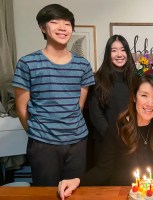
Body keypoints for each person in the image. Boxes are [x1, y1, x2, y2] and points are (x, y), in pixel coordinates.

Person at [12, 4, 95, 186]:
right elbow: (21, 108)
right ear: (43, 27)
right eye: (54, 22)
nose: (62, 28)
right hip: (43, 143)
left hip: (78, 141)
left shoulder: (83, 65)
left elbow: (79, 106)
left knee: (75, 190)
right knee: (46, 192)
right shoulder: (27, 63)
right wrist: (39, 132)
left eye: (67, 23)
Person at [58, 74, 153, 199]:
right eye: (144, 95)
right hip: (122, 195)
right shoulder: (118, 128)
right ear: (134, 97)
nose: (150, 103)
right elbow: (103, 169)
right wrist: (78, 181)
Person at [86, 35, 136, 164]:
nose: (119, 54)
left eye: (123, 50)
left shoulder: (136, 79)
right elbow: (96, 114)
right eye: (114, 50)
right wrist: (112, 138)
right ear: (108, 54)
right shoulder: (98, 79)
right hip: (105, 142)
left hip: (131, 141)